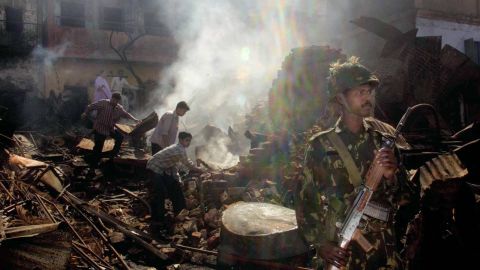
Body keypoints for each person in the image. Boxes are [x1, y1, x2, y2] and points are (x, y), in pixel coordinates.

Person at [295, 57, 417, 270]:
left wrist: (392, 175)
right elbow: (306, 201)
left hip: (382, 255)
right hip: (342, 255)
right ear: (340, 98)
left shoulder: (383, 143)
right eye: (360, 92)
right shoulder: (321, 146)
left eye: (369, 92)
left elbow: (406, 199)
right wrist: (321, 244)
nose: (368, 97)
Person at [146, 132, 205, 232]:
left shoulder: (177, 149)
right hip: (154, 168)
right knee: (160, 193)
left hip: (162, 169)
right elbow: (188, 164)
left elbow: (174, 168)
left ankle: (180, 213)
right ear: (181, 140)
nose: (188, 143)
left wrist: (179, 180)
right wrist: (199, 169)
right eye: (186, 140)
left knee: (175, 187)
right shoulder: (179, 149)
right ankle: (158, 219)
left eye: (189, 141)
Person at [81, 92, 139, 168]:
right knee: (98, 148)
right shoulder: (103, 103)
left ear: (118, 101)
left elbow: (126, 114)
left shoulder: (119, 108)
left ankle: (113, 155)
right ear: (111, 98)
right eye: (114, 100)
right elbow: (91, 106)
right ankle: (93, 166)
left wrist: (135, 119)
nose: (115, 102)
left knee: (119, 137)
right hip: (100, 128)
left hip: (110, 129)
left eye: (117, 101)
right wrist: (85, 113)